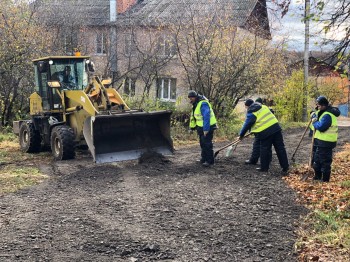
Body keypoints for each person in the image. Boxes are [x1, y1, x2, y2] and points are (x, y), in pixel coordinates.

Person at [239, 98, 289, 174]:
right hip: (276, 128)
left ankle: (264, 168)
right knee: (280, 148)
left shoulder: (251, 111)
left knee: (265, 149)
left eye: (246, 107)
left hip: (265, 132)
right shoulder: (263, 106)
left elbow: (247, 124)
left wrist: (241, 135)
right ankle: (285, 167)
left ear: (248, 106)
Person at [310, 96, 340, 182]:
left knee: (324, 161)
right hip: (320, 141)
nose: (317, 107)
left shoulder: (327, 115)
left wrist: (314, 121)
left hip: (326, 142)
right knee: (317, 160)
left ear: (323, 105)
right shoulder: (323, 112)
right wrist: (313, 114)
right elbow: (316, 119)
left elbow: (321, 127)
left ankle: (325, 180)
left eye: (318, 105)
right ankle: (318, 176)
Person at [188, 90, 218, 167]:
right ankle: (204, 158)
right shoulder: (196, 104)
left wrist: (206, 129)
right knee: (202, 143)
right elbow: (194, 117)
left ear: (195, 97)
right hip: (200, 127)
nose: (190, 99)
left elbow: (206, 116)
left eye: (191, 98)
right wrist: (192, 127)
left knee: (207, 144)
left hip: (208, 127)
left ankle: (210, 161)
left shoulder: (203, 103)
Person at [245, 97, 274, 165]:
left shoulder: (254, 109)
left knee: (257, 145)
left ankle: (254, 160)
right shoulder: (265, 108)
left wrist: (242, 134)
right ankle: (268, 160)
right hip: (270, 129)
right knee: (267, 145)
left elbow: (250, 122)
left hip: (262, 130)